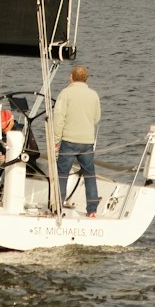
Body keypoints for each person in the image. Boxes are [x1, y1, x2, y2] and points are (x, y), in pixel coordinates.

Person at [52, 64, 101, 215]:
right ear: (86, 79)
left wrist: (56, 139)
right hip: (86, 142)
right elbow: (96, 118)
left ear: (71, 77)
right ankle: (92, 210)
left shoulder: (65, 93)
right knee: (89, 175)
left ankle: (58, 207)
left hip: (69, 141)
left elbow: (58, 118)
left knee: (62, 174)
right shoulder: (94, 95)